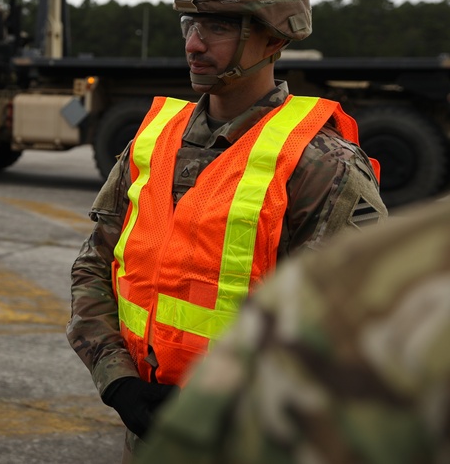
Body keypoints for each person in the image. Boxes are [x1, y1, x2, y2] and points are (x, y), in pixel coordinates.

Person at [66, 0, 387, 461]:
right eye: (189, 24)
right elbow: (94, 266)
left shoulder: (319, 163)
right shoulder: (153, 141)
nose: (193, 44)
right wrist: (118, 380)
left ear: (272, 35)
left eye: (217, 26)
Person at [137, 196, 450, 464]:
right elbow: (103, 260)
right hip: (156, 394)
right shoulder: (162, 133)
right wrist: (115, 377)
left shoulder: (327, 167)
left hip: (220, 404)